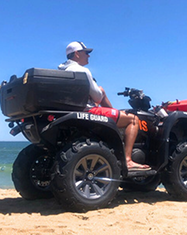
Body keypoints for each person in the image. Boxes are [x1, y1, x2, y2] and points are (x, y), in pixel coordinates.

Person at [58, 41, 150, 171]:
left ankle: (114, 123)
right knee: (133, 120)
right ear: (77, 54)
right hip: (88, 111)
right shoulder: (82, 71)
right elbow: (97, 97)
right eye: (86, 53)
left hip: (72, 111)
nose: (89, 56)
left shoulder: (61, 70)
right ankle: (128, 160)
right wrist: (101, 92)